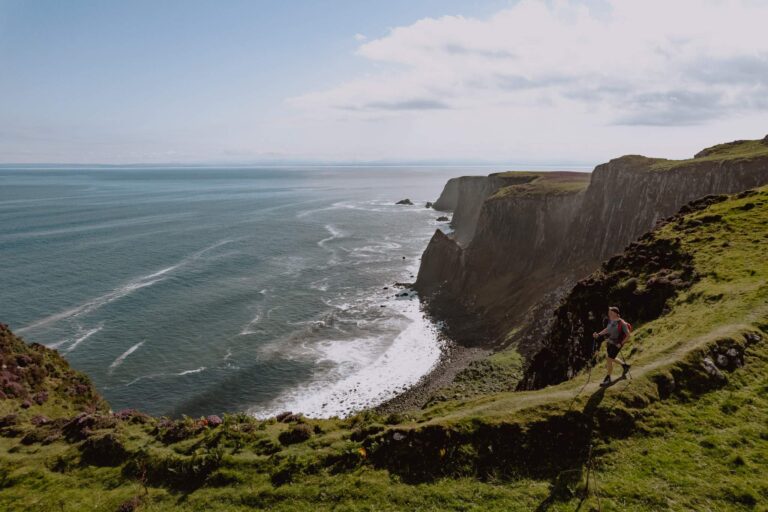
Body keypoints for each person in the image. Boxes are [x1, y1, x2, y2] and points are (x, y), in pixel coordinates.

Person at [593, 306, 631, 386]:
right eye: (609, 313)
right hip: (610, 343)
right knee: (611, 358)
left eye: (611, 313)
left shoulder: (622, 323)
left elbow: (628, 335)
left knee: (609, 359)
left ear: (616, 314)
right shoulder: (611, 321)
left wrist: (621, 344)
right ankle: (625, 365)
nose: (609, 314)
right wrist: (599, 334)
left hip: (617, 344)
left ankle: (608, 379)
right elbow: (607, 330)